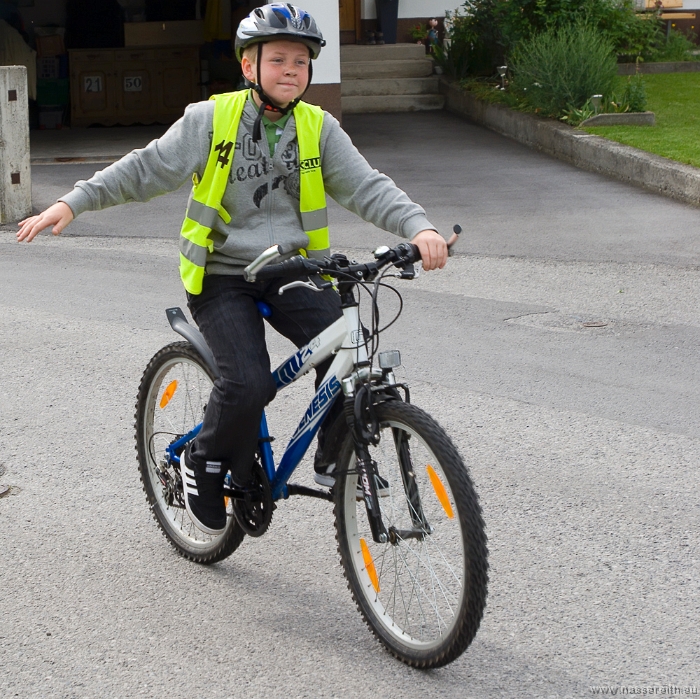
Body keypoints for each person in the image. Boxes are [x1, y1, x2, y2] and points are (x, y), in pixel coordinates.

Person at [17, 3, 447, 536]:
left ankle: (335, 456)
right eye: (279, 60)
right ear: (249, 66)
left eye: (301, 61)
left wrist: (418, 227)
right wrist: (73, 203)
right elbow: (145, 168)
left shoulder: (318, 127)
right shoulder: (211, 120)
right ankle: (205, 461)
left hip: (290, 267)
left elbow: (367, 185)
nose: (292, 70)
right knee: (246, 384)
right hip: (222, 275)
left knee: (348, 348)